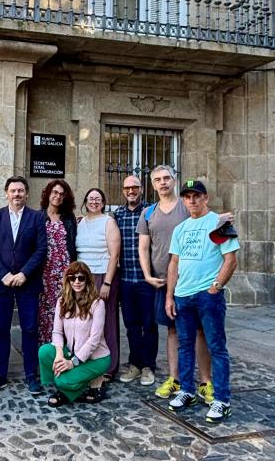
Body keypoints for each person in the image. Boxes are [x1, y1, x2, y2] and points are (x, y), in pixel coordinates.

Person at [137, 165, 225, 403]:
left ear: (174, 181)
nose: (163, 182)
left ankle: (205, 381)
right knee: (172, 330)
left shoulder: (185, 206)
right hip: (162, 282)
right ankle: (175, 378)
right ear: (152, 184)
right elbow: (143, 247)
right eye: (157, 179)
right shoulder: (148, 212)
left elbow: (208, 222)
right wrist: (147, 274)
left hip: (192, 283)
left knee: (200, 332)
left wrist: (223, 220)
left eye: (166, 178)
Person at [166, 179, 239, 423]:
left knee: (216, 347)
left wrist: (216, 287)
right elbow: (174, 263)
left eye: (196, 196)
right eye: (187, 197)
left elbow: (230, 259)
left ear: (205, 198)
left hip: (207, 296)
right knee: (184, 346)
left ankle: (222, 400)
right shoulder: (180, 229)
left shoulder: (219, 222)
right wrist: (170, 295)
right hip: (183, 296)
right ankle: (187, 390)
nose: (192, 200)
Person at [0, 175, 47, 396]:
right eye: (13, 191)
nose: (17, 194)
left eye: (20, 191)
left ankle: (31, 375)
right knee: (1, 330)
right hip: (2, 284)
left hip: (28, 284)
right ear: (6, 193)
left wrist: (23, 274)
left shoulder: (37, 217)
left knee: (30, 329)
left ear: (26, 193)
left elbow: (41, 250)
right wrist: (4, 275)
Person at [38, 262, 110, 406]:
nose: (76, 281)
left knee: (62, 380)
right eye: (72, 278)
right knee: (45, 351)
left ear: (87, 280)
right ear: (68, 280)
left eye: (81, 278)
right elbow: (57, 332)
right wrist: (59, 355)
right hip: (72, 353)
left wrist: (72, 363)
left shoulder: (97, 304)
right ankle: (75, 383)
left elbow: (94, 340)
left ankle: (70, 388)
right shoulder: (62, 301)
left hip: (96, 358)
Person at [114, 175, 159, 387]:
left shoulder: (151, 211)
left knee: (149, 325)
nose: (131, 191)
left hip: (146, 280)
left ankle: (148, 366)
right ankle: (135, 364)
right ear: (123, 191)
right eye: (127, 188)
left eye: (134, 187)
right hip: (125, 279)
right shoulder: (117, 215)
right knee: (131, 325)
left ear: (141, 189)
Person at [75, 188, 121, 378]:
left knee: (106, 321)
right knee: (86, 322)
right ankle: (89, 362)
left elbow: (114, 254)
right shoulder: (80, 222)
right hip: (83, 278)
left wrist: (107, 283)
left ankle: (109, 367)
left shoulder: (109, 222)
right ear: (85, 202)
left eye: (98, 199)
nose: (94, 202)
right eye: (90, 198)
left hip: (103, 275)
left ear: (103, 203)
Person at [37, 179, 77, 345]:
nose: (58, 196)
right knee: (43, 312)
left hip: (64, 272)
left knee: (63, 310)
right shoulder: (37, 216)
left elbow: (73, 243)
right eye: (55, 192)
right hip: (43, 272)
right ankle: (44, 351)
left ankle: (62, 349)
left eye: (62, 194)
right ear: (48, 194)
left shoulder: (69, 218)